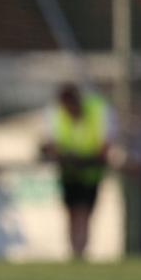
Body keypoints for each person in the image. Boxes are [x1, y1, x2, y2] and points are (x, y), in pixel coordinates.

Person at [41, 83, 115, 259]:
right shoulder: (56, 114)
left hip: (90, 172)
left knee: (84, 212)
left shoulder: (98, 109)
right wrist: (64, 156)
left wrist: (87, 158)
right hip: (69, 172)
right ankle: (75, 250)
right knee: (72, 212)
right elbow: (52, 144)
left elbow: (105, 143)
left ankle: (80, 250)